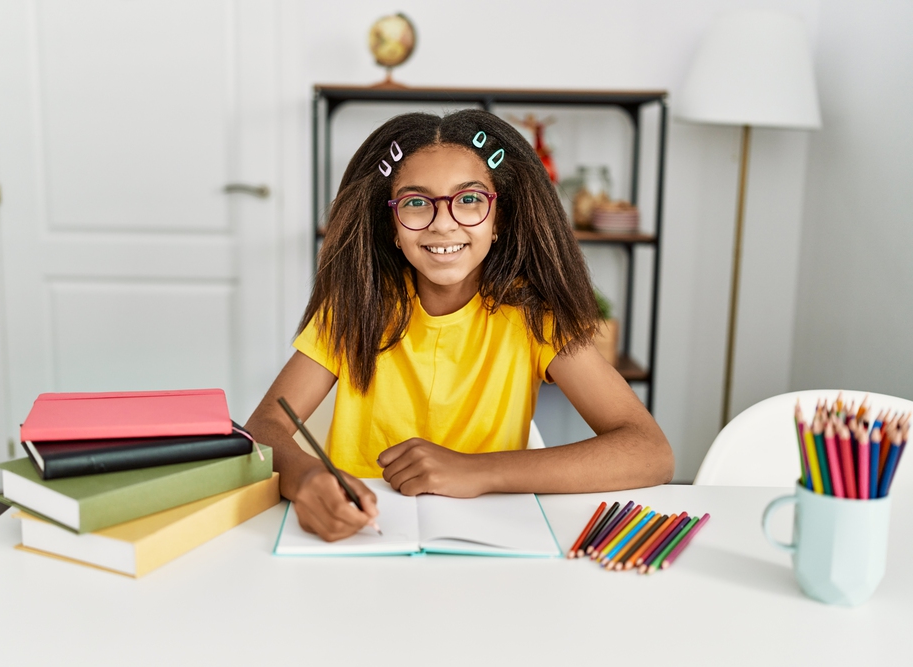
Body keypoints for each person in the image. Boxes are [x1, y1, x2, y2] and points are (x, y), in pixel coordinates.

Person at [245, 109, 673, 542]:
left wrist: (475, 471)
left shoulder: (533, 315)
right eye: (416, 203)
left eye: (469, 199)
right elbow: (263, 427)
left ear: (498, 218)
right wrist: (306, 479)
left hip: (490, 542)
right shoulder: (356, 307)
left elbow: (649, 451)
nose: (443, 222)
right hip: (366, 539)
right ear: (391, 224)